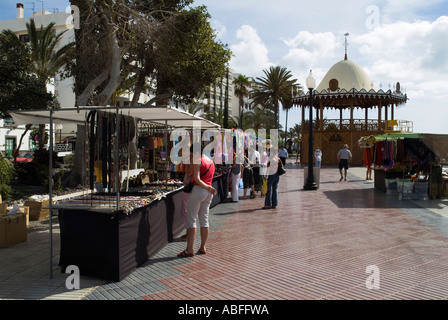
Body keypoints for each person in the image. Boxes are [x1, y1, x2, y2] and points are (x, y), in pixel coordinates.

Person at [178, 144, 217, 258]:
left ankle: (189, 249)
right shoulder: (210, 161)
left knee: (191, 220)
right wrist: (209, 188)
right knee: (204, 220)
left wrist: (207, 187)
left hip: (199, 191)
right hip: (208, 193)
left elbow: (196, 179)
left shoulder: (197, 161)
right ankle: (203, 246)